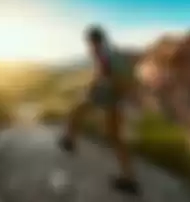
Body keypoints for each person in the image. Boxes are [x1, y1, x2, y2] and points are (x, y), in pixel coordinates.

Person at [58, 24, 140, 195]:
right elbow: (112, 74)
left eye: (89, 41)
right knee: (115, 137)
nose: (88, 45)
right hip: (118, 96)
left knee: (76, 110)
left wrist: (91, 89)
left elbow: (102, 74)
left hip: (110, 93)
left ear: (93, 40)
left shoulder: (102, 52)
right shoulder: (111, 50)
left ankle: (69, 140)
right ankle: (129, 179)